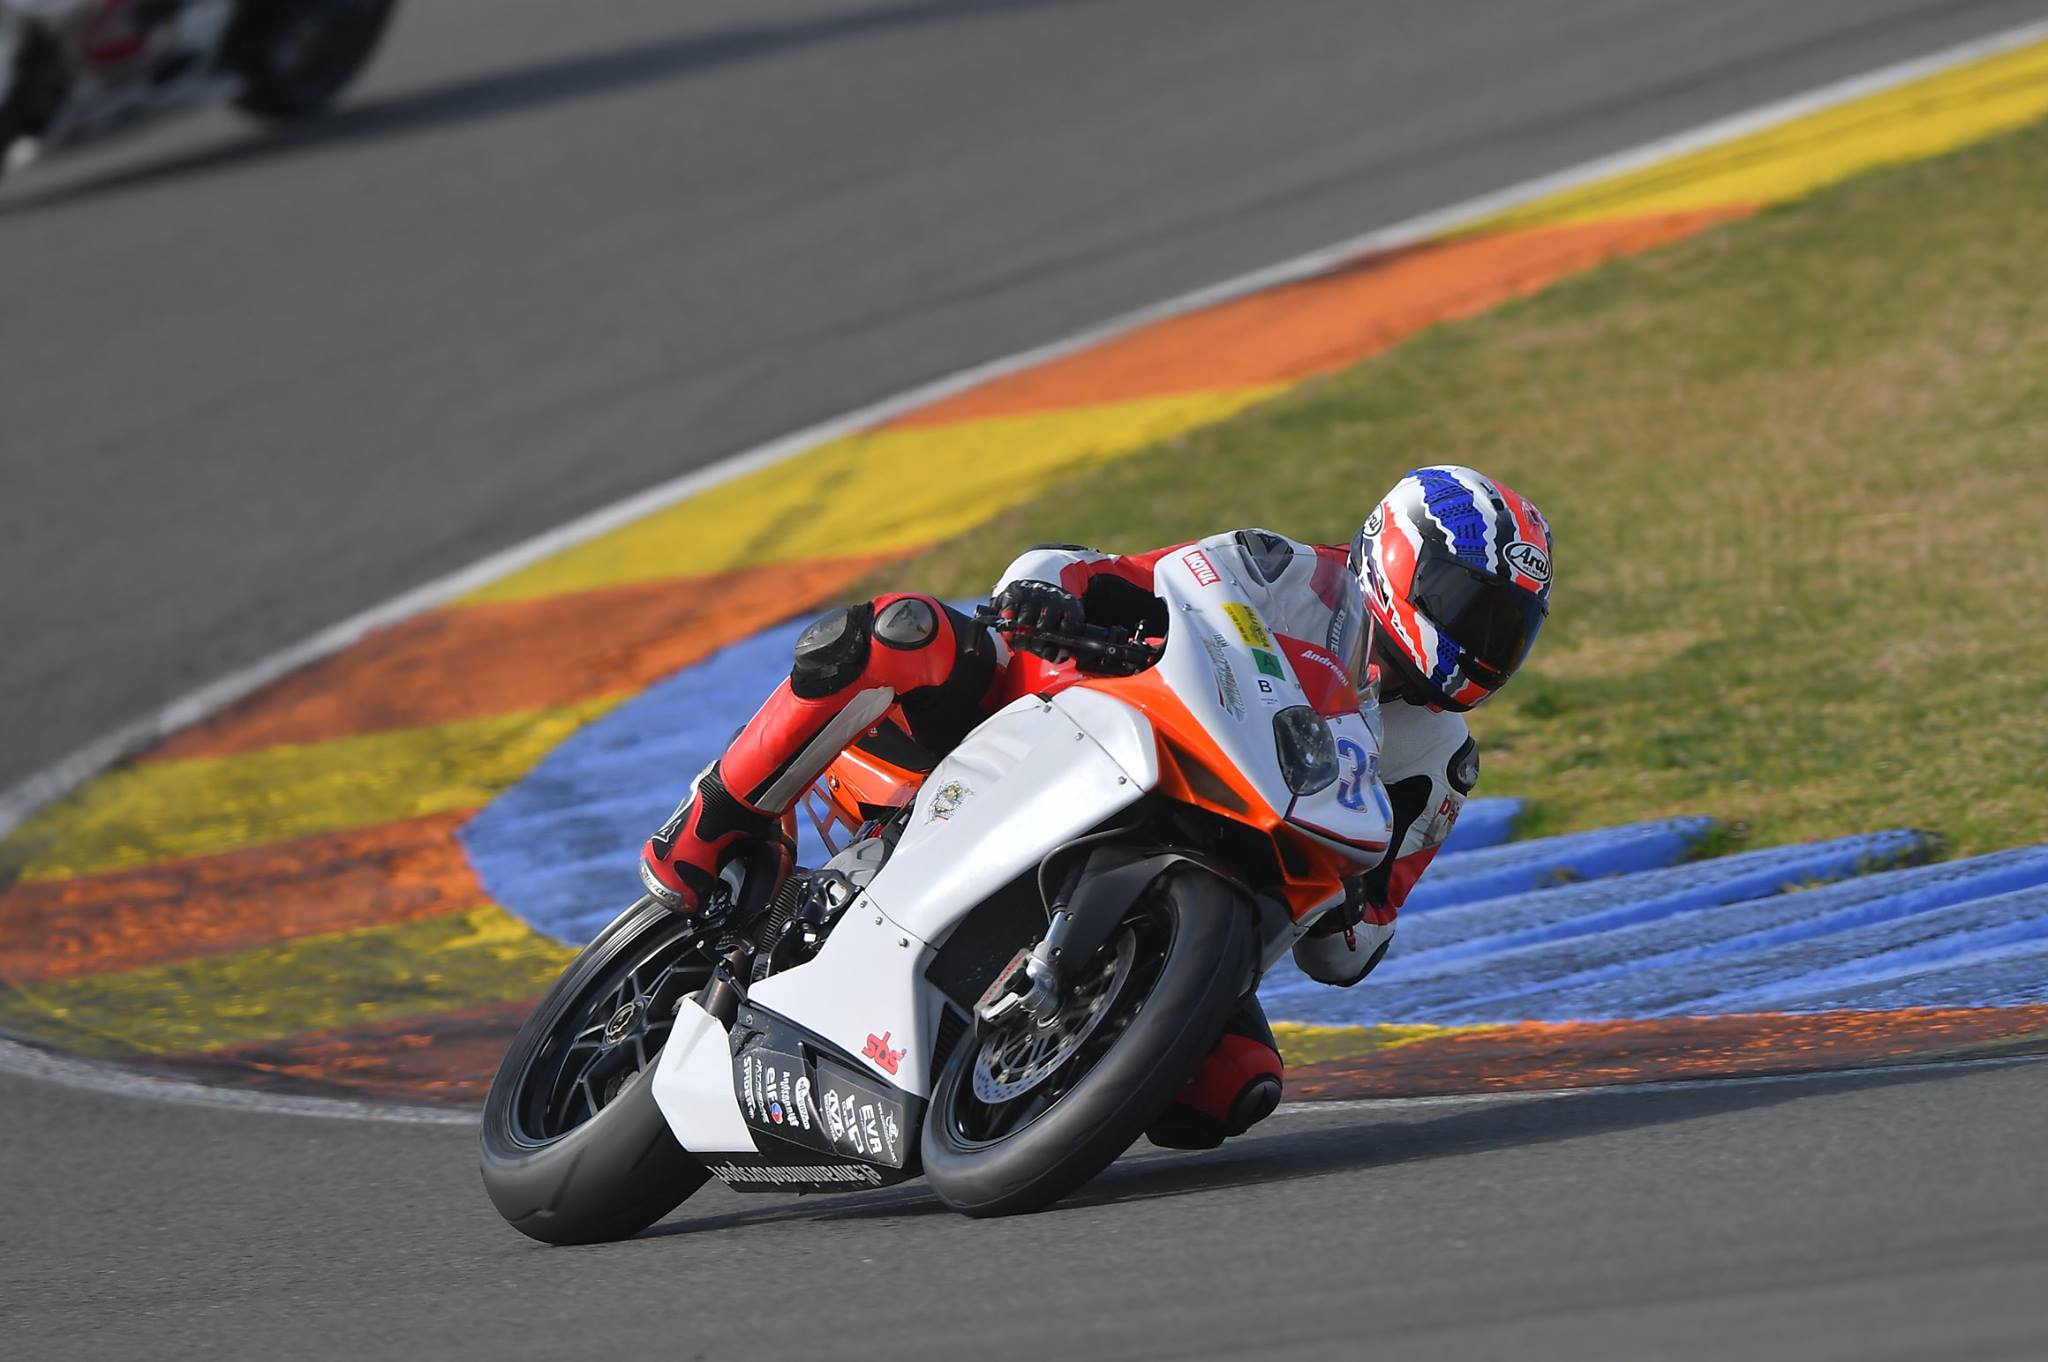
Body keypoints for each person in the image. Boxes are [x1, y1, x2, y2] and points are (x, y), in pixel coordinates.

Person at [640, 465, 1552, 1147]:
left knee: (1233, 1087)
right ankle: (712, 822)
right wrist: (1054, 595)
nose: (1484, 644)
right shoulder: (1281, 571)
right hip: (1080, 729)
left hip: (1224, 860)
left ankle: (1013, 1078)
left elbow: (1349, 950)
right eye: (1470, 607)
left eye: (1508, 629)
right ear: (1397, 556)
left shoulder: (1442, 763)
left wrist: (1354, 908)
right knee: (897, 632)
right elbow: (1123, 575)